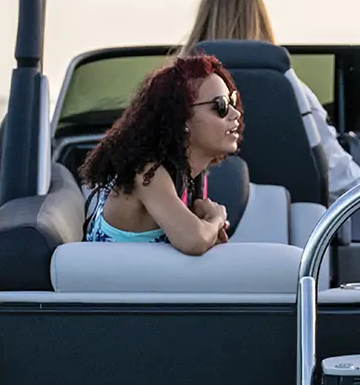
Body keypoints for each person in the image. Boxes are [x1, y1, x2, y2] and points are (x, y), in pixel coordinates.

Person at [183, 0, 360, 196]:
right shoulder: (293, 92)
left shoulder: (167, 93)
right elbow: (344, 181)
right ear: (262, 25)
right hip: (289, 227)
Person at [79, 53, 241, 256]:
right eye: (221, 106)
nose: (235, 114)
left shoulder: (190, 174)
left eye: (232, 102)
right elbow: (195, 240)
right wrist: (216, 218)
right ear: (182, 119)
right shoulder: (149, 172)